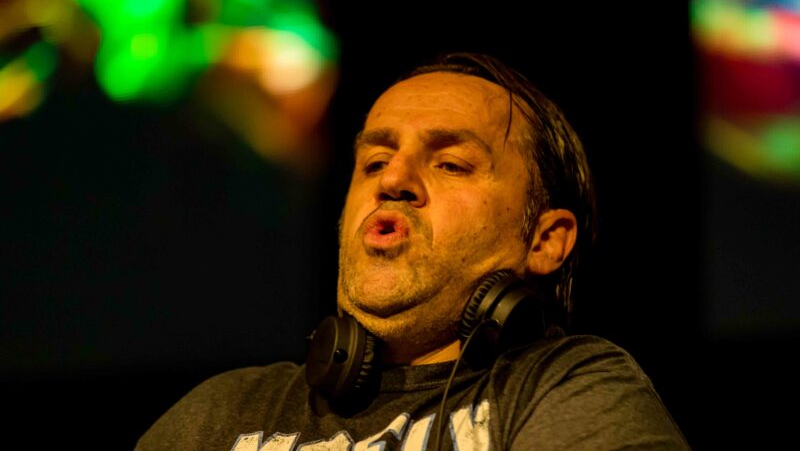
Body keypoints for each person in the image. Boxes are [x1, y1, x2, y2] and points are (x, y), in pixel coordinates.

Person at [136, 52, 690, 450]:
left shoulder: (568, 386)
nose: (393, 180)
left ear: (544, 241)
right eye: (375, 162)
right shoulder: (218, 414)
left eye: (450, 164)